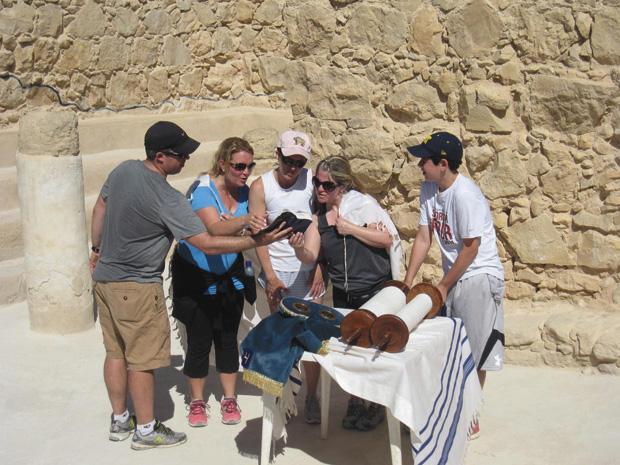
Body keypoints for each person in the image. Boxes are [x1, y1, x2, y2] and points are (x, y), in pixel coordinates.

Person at [90, 121, 290, 450]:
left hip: (106, 279)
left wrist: (97, 250)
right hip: (138, 287)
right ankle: (145, 430)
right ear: (159, 156)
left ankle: (119, 419)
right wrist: (256, 239)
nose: (186, 159)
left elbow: (100, 206)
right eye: (180, 154)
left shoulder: (122, 170)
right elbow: (208, 243)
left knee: (115, 353)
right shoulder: (167, 198)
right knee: (141, 360)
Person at [403, 131, 505, 439]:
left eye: (426, 160)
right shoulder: (429, 189)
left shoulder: (465, 195)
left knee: (474, 350)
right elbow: (424, 237)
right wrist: (407, 280)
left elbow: (471, 247)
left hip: (479, 275)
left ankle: (471, 414)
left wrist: (443, 286)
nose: (420, 164)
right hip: (456, 276)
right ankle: (448, 408)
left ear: (443, 163)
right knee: (449, 349)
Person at [297, 156, 401, 431]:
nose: (321, 189)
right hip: (344, 291)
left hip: (373, 288)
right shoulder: (318, 218)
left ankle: (377, 404)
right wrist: (301, 251)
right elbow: (312, 253)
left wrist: (351, 229)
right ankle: (355, 401)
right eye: (317, 183)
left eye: (327, 185)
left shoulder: (363, 205)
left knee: (377, 349)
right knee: (352, 349)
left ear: (342, 186)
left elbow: (387, 239)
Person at [170, 137, 264, 428]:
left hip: (230, 273)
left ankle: (229, 398)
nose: (245, 172)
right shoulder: (203, 190)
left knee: (227, 338)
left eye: (250, 166)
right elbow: (214, 228)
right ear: (222, 163)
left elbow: (254, 225)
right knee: (199, 340)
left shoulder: (247, 192)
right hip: (196, 274)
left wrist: (239, 223)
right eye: (239, 166)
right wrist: (244, 221)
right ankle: (197, 402)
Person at [248, 129, 324, 424]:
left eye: (299, 162)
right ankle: (282, 396)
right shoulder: (261, 187)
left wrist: (320, 264)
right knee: (281, 338)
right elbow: (258, 236)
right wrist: (269, 277)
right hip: (278, 271)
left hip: (307, 271)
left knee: (314, 337)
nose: (293, 167)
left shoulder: (310, 182)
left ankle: (312, 396)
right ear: (277, 154)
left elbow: (320, 227)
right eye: (288, 160)